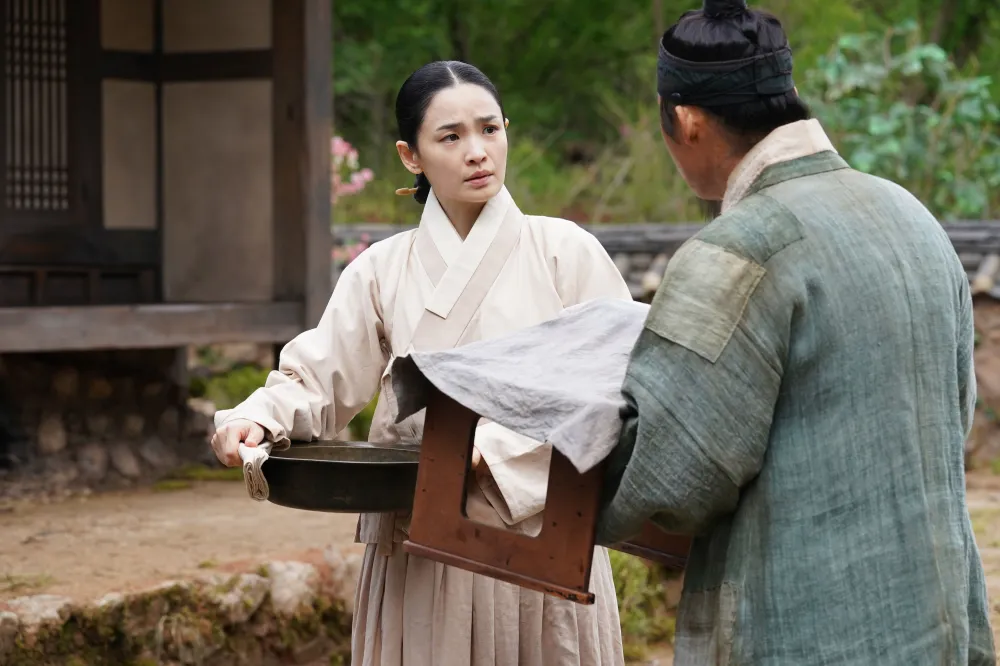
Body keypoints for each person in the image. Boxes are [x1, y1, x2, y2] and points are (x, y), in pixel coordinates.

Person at [595, 0, 997, 665]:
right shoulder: (911, 215)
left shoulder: (739, 247)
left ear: (686, 120)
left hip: (808, 627)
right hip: (934, 615)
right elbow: (953, 411)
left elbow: (675, 474)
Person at [211, 60, 627, 666]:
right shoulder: (381, 270)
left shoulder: (566, 252)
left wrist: (489, 456)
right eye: (450, 136)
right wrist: (259, 417)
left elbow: (621, 387)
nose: (477, 151)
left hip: (542, 537)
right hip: (421, 542)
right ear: (411, 156)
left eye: (489, 129)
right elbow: (320, 376)